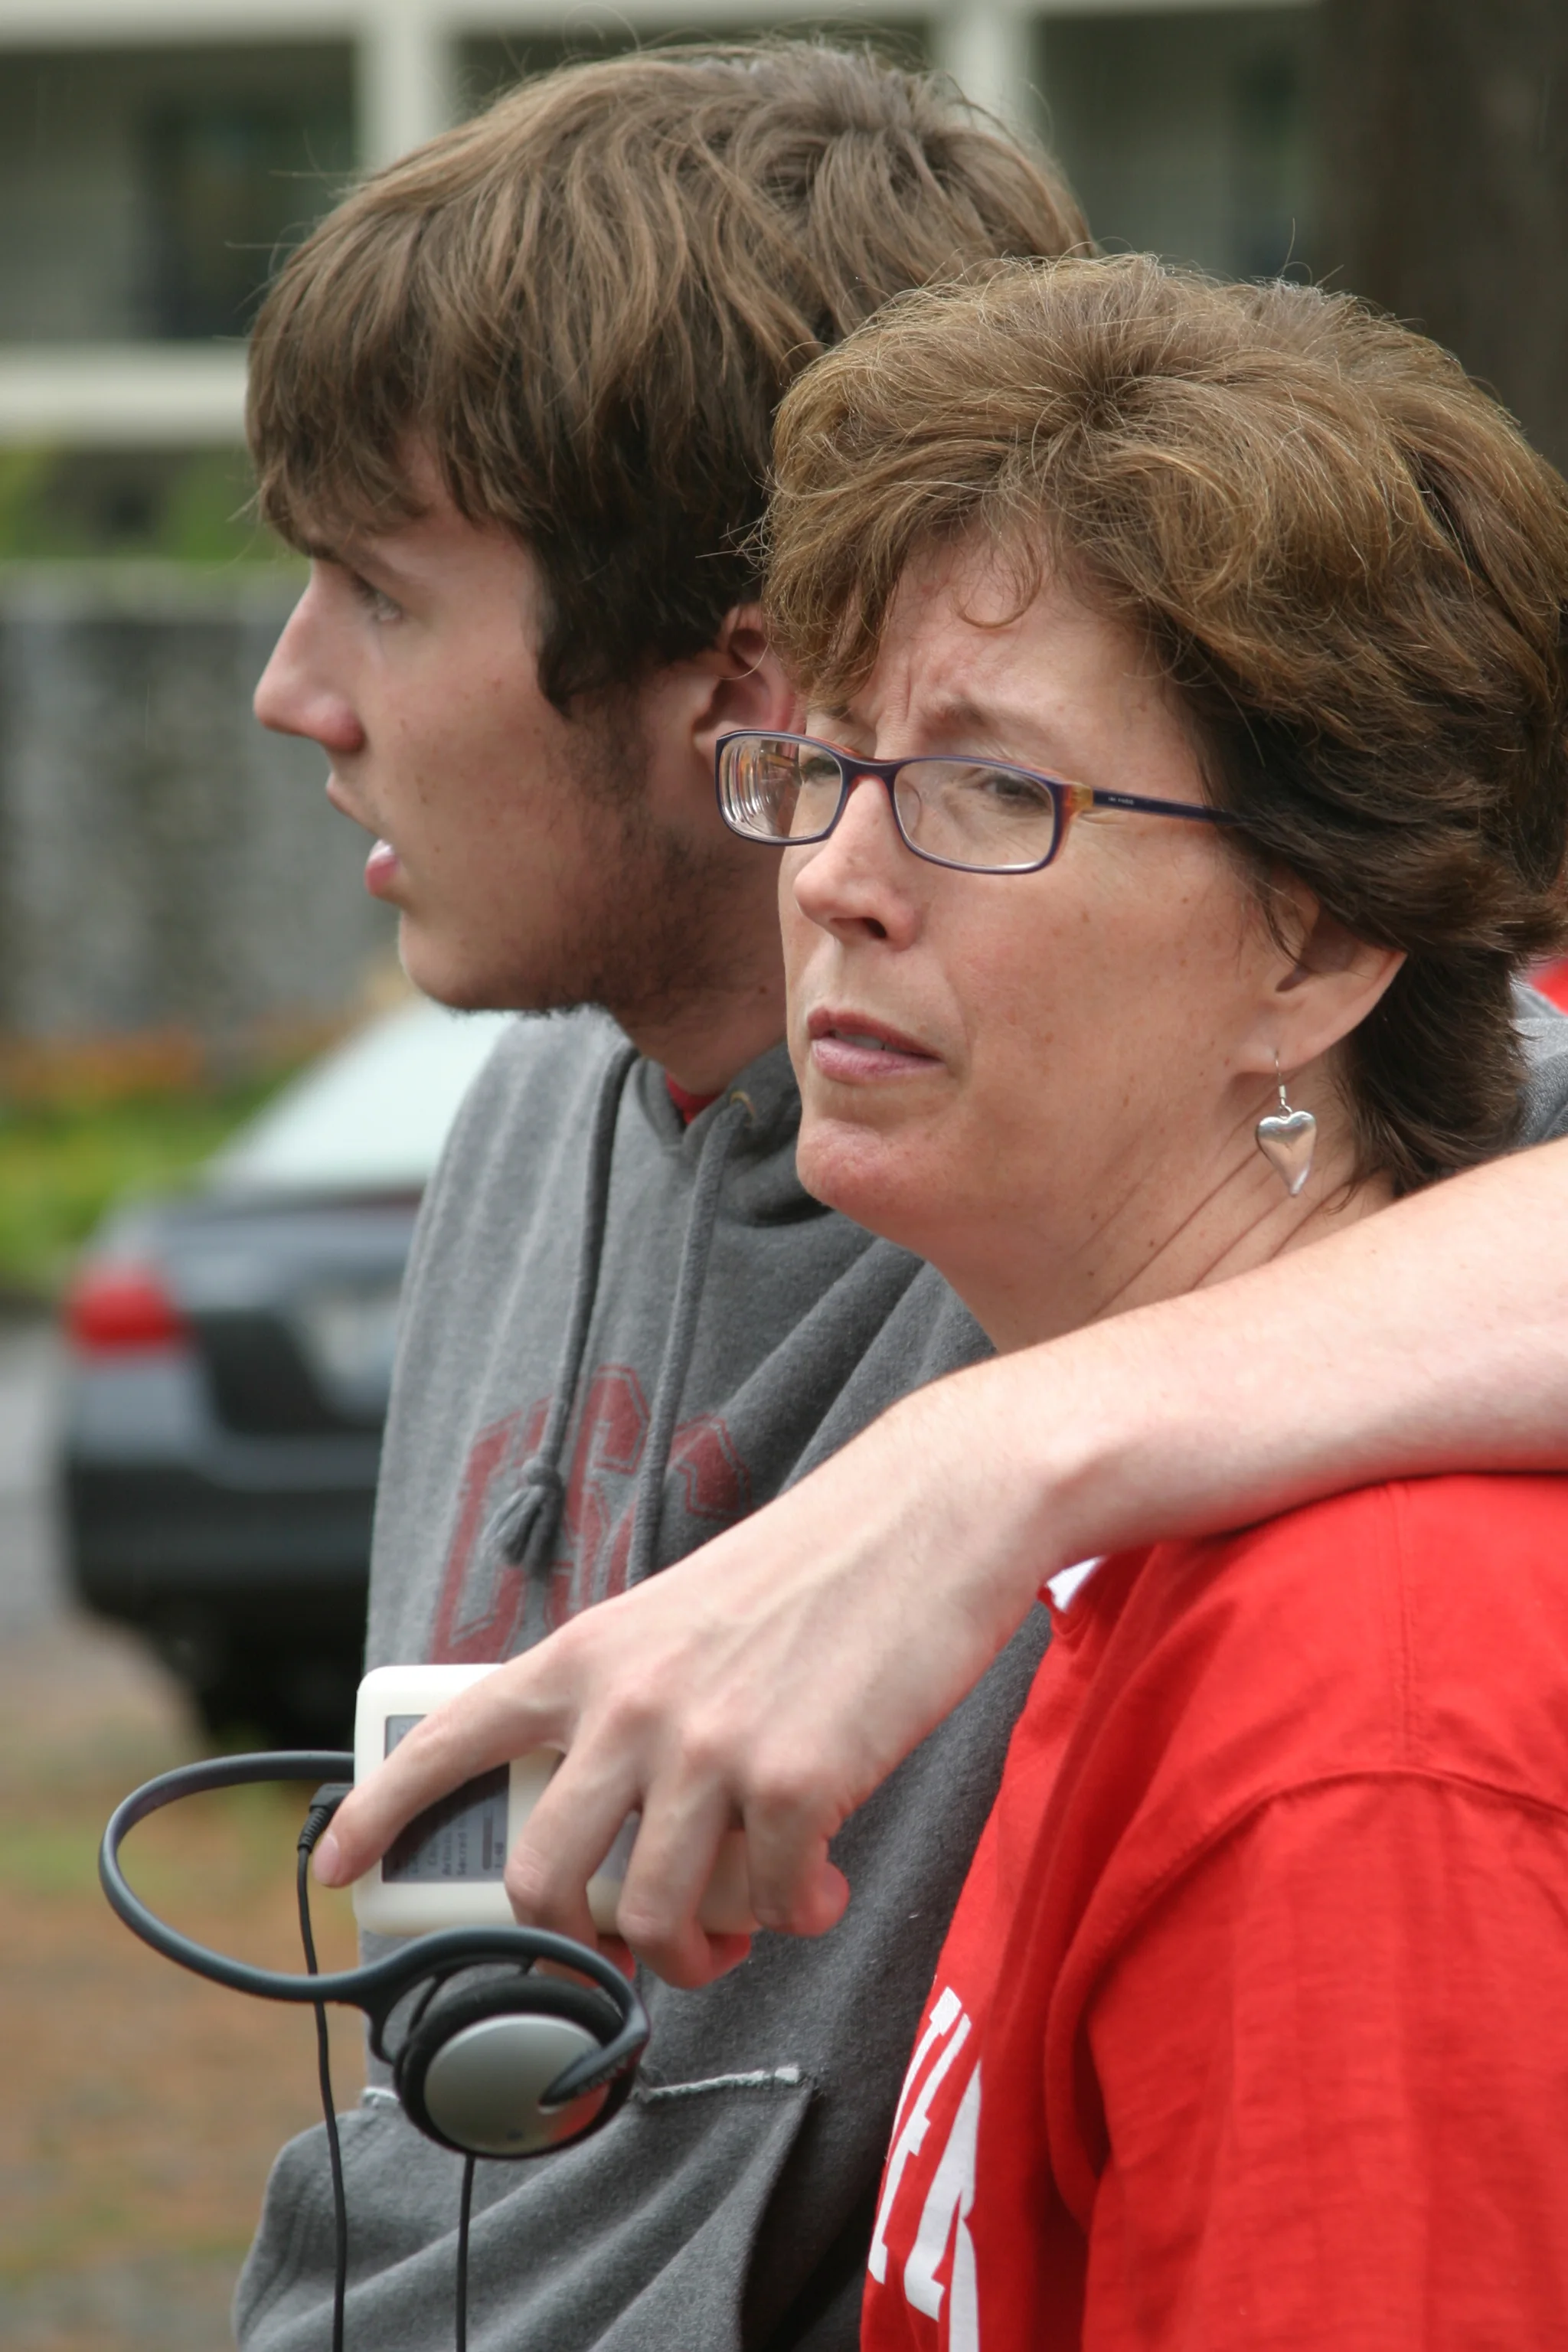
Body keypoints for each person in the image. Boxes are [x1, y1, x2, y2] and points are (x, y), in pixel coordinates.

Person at [247, 42, 1568, 2352]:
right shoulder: (556, 1118)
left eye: (380, 587)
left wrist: (975, 1464)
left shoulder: (1235, 1284)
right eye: (835, 770)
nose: (291, 690)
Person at [730, 253, 1568, 2344]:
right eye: (827, 759)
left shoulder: (1360, 1717)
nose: (835, 873)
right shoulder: (1166, 1553)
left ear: (1317, 948)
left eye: (991, 789)